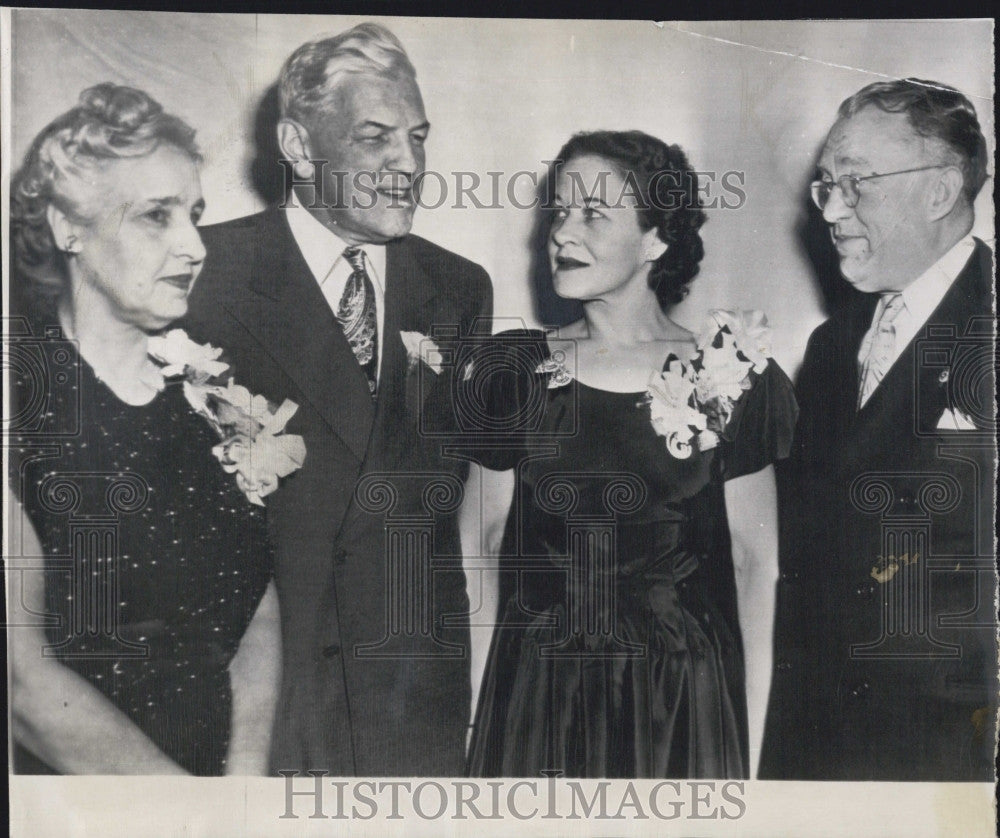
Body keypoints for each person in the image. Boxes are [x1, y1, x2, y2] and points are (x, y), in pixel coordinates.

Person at [183, 23, 493, 776]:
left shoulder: (459, 288)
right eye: (376, 138)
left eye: (418, 138)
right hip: (262, 701)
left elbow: (469, 517)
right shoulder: (206, 274)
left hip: (410, 704)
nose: (409, 165)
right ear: (296, 145)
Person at [460, 130, 796, 778]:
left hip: (680, 699)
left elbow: (758, 567)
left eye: (592, 214)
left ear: (655, 239)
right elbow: (481, 547)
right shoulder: (514, 372)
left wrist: (750, 743)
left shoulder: (732, 372)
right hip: (537, 694)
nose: (561, 234)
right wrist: (478, 712)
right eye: (558, 212)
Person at [7, 83, 280, 775]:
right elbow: (21, 684)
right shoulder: (20, 403)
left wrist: (240, 786)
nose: (194, 247)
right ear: (70, 226)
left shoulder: (210, 396)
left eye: (194, 214)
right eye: (157, 217)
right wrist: (180, 808)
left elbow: (257, 608)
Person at [762, 78, 996, 781]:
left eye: (856, 184)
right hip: (818, 744)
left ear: (939, 190)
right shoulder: (833, 346)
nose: (832, 210)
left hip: (947, 757)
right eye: (825, 185)